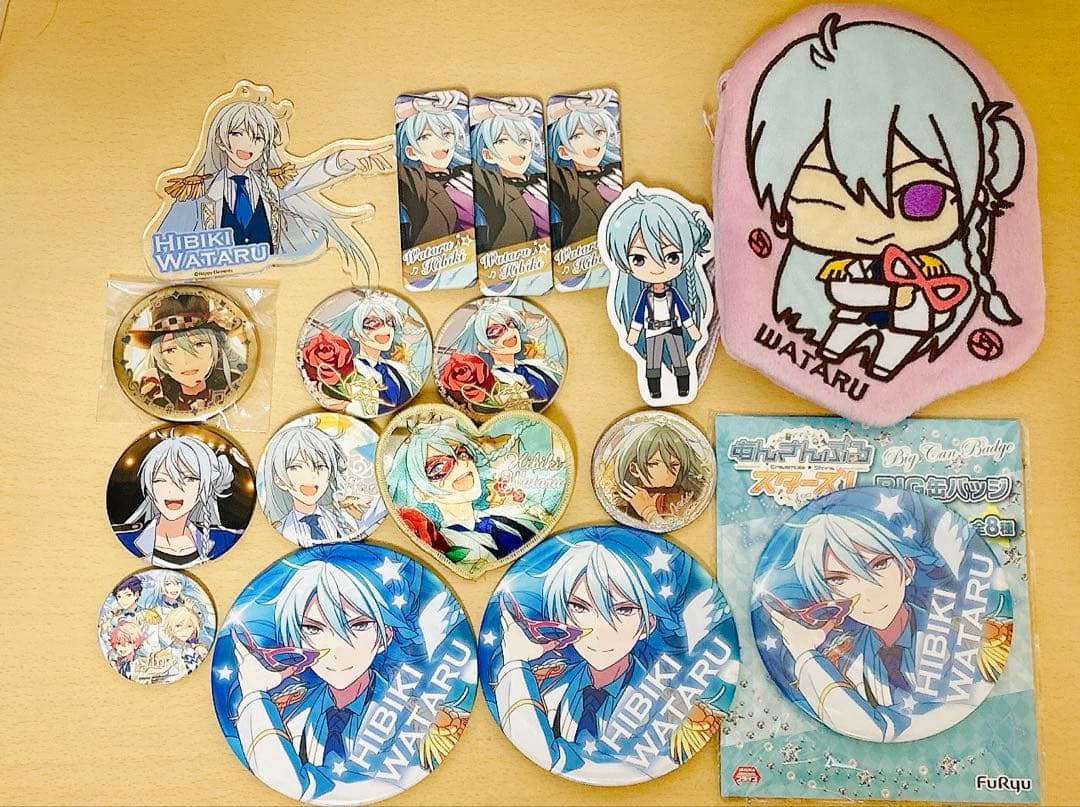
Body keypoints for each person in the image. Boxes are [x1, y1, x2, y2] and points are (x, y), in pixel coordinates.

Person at [747, 13, 1024, 380]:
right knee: (848, 328)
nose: (873, 230)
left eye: (919, 200)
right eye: (825, 204)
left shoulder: (935, 266)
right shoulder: (837, 271)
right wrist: (892, 296)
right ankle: (840, 350)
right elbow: (842, 292)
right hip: (854, 317)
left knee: (902, 334)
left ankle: (881, 362)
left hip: (905, 326)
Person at [606, 189, 711, 399]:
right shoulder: (644, 297)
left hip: (674, 329)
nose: (657, 268)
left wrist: (692, 328)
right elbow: (638, 315)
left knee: (680, 360)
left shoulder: (675, 294)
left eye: (672, 257)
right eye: (639, 259)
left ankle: (683, 387)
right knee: (652, 364)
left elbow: (684, 311)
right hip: (652, 332)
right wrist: (634, 332)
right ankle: (655, 391)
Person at [114, 433, 239, 567]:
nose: (173, 490)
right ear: (149, 488)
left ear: (205, 486)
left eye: (189, 479)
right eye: (161, 480)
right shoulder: (125, 539)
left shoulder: (225, 539)